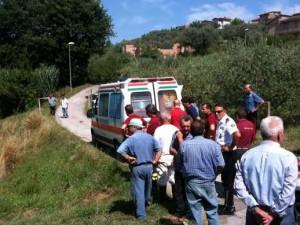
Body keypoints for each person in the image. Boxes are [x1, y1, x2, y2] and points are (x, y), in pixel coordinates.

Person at [234, 116, 298, 225]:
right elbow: (288, 190)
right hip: (283, 213)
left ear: (262, 134)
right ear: (280, 135)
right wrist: (272, 214)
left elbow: (238, 186)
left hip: (255, 213)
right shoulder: (288, 157)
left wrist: (255, 208)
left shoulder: (247, 156)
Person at [180, 120, 225, 225]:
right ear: (204, 130)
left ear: (191, 130)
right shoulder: (213, 145)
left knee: (195, 212)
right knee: (212, 211)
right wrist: (215, 175)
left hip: (191, 182)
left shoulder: (184, 145)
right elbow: (221, 165)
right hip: (208, 181)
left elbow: (179, 165)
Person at [117, 118, 162, 220]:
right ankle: (146, 205)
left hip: (137, 167)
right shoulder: (150, 137)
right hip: (150, 166)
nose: (128, 129)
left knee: (139, 190)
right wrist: (155, 160)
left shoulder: (131, 139)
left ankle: (141, 216)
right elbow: (159, 149)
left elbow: (120, 150)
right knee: (147, 189)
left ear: (134, 127)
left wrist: (128, 158)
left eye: (129, 127)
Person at [214, 103, 241, 215]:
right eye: (215, 111)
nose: (217, 113)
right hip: (223, 153)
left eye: (219, 111)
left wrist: (230, 147)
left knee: (228, 181)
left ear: (224, 111)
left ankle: (229, 207)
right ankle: (228, 205)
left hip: (228, 154)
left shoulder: (228, 121)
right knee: (225, 180)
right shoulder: (220, 121)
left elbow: (237, 135)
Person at [169, 115, 193, 221]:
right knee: (179, 191)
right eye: (184, 126)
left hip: (189, 169)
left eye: (188, 126)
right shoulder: (177, 133)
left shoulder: (193, 135)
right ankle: (179, 212)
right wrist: (177, 152)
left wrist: (180, 140)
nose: (186, 128)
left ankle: (189, 214)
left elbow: (187, 153)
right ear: (180, 125)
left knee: (189, 192)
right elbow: (171, 149)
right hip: (179, 167)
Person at [153, 112, 178, 201]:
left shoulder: (158, 130)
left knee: (161, 179)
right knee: (173, 178)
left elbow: (155, 145)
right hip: (173, 157)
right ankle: (175, 200)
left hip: (162, 157)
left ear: (161, 119)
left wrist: (154, 159)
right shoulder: (175, 129)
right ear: (170, 119)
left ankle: (163, 200)